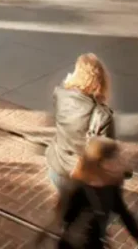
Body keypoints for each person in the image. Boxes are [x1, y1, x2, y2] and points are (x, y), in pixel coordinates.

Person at [54, 138, 138, 249]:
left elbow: (124, 214)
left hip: (96, 242)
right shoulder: (76, 188)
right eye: (114, 157)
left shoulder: (112, 185)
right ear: (101, 162)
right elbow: (65, 220)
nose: (119, 160)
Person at [46, 54, 115, 193]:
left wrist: (68, 83)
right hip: (81, 179)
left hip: (56, 170)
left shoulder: (59, 95)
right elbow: (106, 154)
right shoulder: (102, 115)